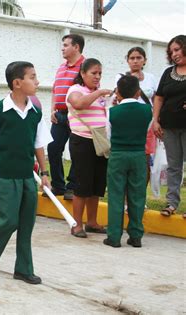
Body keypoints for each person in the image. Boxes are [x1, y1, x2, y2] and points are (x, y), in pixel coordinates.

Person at [0, 61, 52, 285]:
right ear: (17, 83)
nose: (37, 82)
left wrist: (44, 172)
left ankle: (24, 269)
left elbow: (39, 145)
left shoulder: (36, 111)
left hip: (27, 175)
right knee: (8, 219)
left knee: (27, 223)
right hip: (6, 175)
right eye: (32, 77)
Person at [104, 75, 152, 248]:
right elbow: (146, 130)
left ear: (118, 93)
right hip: (139, 154)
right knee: (137, 195)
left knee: (116, 195)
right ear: (138, 92)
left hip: (118, 154)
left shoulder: (112, 111)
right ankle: (136, 235)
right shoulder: (148, 110)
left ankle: (114, 237)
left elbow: (108, 135)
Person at [67, 58, 112, 238]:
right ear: (83, 74)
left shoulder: (100, 95)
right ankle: (76, 224)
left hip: (100, 141)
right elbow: (79, 104)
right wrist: (100, 92)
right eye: (94, 73)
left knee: (97, 184)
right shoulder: (76, 90)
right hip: (82, 141)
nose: (97, 76)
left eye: (100, 73)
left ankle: (92, 222)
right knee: (82, 184)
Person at [47, 34, 85, 200]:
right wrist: (52, 111)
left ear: (76, 47)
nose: (62, 48)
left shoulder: (86, 66)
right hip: (60, 115)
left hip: (77, 115)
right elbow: (55, 90)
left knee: (76, 151)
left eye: (66, 45)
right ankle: (58, 185)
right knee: (53, 148)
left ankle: (72, 186)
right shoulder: (61, 68)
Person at [152, 35, 186, 218]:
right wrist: (155, 120)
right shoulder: (168, 73)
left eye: (177, 49)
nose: (174, 54)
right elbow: (159, 97)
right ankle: (172, 203)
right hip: (169, 127)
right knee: (173, 166)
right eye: (171, 51)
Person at [115, 47, 158, 187]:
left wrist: (158, 119)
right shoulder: (120, 77)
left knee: (145, 162)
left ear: (144, 60)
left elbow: (156, 100)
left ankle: (141, 195)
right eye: (132, 58)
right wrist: (132, 80)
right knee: (127, 162)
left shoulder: (151, 78)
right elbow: (117, 98)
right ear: (127, 60)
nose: (135, 61)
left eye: (139, 58)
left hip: (147, 124)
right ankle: (127, 197)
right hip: (127, 124)